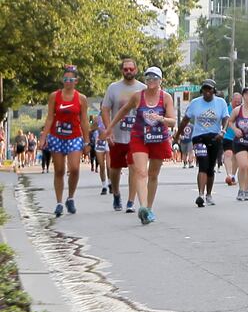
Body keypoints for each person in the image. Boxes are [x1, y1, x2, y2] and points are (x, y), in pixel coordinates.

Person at [101, 67, 176, 225]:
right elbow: (123, 111)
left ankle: (149, 208)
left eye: (154, 78)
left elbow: (173, 121)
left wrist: (160, 118)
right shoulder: (138, 97)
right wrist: (110, 127)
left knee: (153, 174)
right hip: (139, 137)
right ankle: (142, 207)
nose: (151, 81)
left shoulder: (166, 98)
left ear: (160, 80)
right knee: (140, 172)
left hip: (158, 138)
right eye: (148, 78)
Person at [39, 66, 90, 218]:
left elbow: (84, 120)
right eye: (65, 79)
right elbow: (49, 117)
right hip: (57, 136)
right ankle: (59, 202)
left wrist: (87, 141)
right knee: (59, 170)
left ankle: (71, 197)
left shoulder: (81, 99)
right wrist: (44, 137)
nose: (68, 82)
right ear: (62, 81)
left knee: (74, 168)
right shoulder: (54, 96)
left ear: (76, 81)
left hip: (74, 136)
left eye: (71, 80)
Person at [99, 58, 145, 213]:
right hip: (117, 136)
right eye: (126, 69)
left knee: (135, 168)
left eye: (131, 69)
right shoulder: (113, 88)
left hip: (136, 136)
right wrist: (108, 129)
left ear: (136, 70)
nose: (129, 72)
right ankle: (117, 193)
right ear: (122, 71)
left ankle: (131, 201)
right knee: (115, 168)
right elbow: (105, 109)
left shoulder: (143, 88)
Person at [183, 79, 229, 207]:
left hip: (215, 138)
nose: (207, 92)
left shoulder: (220, 103)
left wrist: (223, 131)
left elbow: (226, 118)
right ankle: (201, 195)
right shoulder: (195, 103)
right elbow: (186, 119)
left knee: (210, 167)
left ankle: (209, 194)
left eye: (209, 89)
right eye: (204, 89)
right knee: (203, 163)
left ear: (214, 91)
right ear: (201, 90)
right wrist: (177, 135)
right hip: (199, 137)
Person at [220, 92, 242, 187]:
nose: (237, 103)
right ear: (232, 100)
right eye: (235, 101)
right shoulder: (226, 108)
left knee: (236, 157)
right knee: (228, 154)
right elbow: (224, 120)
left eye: (239, 101)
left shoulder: (242, 110)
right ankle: (229, 174)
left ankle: (233, 175)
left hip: (238, 137)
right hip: (227, 136)